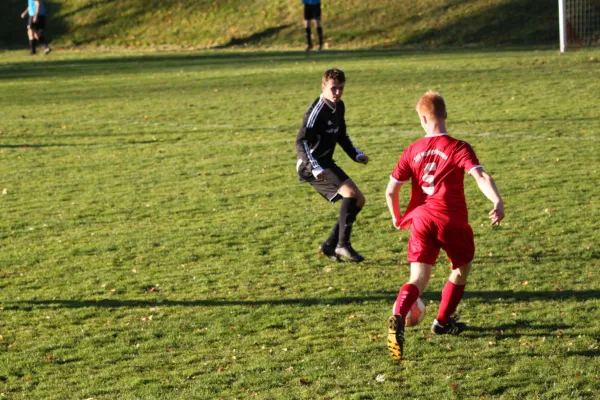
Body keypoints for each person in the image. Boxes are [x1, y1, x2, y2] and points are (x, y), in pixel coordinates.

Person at [384, 91, 504, 360]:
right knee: (461, 269)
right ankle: (442, 321)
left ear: (423, 118)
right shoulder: (458, 147)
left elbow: (391, 191)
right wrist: (496, 200)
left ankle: (398, 315)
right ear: (445, 115)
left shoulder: (412, 150)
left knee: (418, 278)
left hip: (421, 220)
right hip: (451, 220)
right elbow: (480, 175)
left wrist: (396, 216)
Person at [295, 68, 369, 262]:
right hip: (311, 166)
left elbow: (342, 135)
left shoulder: (339, 107)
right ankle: (342, 245)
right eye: (333, 89)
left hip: (326, 161)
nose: (337, 93)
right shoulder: (316, 112)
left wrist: (356, 154)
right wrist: (315, 168)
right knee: (351, 195)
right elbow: (301, 143)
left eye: (341, 89)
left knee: (359, 200)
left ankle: (330, 245)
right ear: (323, 87)